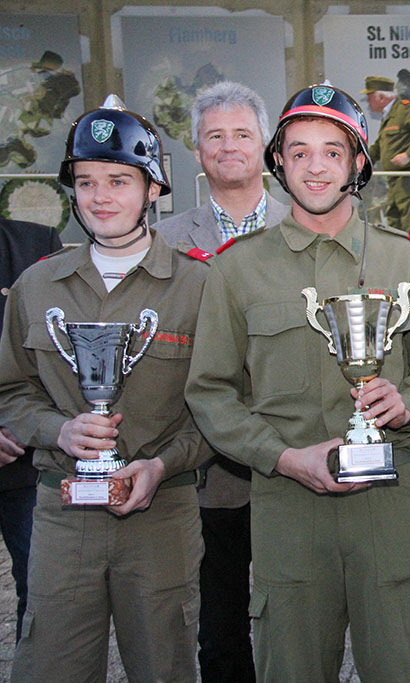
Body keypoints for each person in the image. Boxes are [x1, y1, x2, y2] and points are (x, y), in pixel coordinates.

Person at [184, 83, 410, 681]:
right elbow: (210, 391)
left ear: (357, 163)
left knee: (406, 666)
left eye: (333, 152)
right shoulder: (237, 268)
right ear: (278, 162)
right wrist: (282, 458)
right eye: (300, 151)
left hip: (390, 503)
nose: (316, 167)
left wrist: (405, 402)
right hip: (288, 507)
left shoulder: (404, 259)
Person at [0, 95, 208, 681]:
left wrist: (163, 465)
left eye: (119, 180)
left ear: (153, 189)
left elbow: (220, 405)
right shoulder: (37, 286)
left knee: (165, 666)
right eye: (86, 182)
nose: (100, 197)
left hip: (162, 513)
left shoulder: (199, 286)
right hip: (62, 511)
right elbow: (12, 391)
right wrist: (59, 430)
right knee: (52, 666)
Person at [154, 80, 287, 683]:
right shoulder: (165, 242)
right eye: (215, 136)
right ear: (197, 151)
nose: (229, 146)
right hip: (207, 466)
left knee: (294, 615)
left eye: (242, 134)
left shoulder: (304, 227)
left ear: (265, 146)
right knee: (221, 618)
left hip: (292, 453)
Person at [0, 218, 61, 641]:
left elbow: (55, 353)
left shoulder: (35, 242)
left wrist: (21, 422)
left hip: (24, 460)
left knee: (40, 593)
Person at [364, 76, 410, 233]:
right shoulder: (390, 116)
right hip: (396, 180)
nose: (368, 102)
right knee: (395, 225)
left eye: (370, 97)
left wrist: (409, 155)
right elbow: (380, 147)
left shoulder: (405, 111)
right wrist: (360, 160)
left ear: (381, 97)